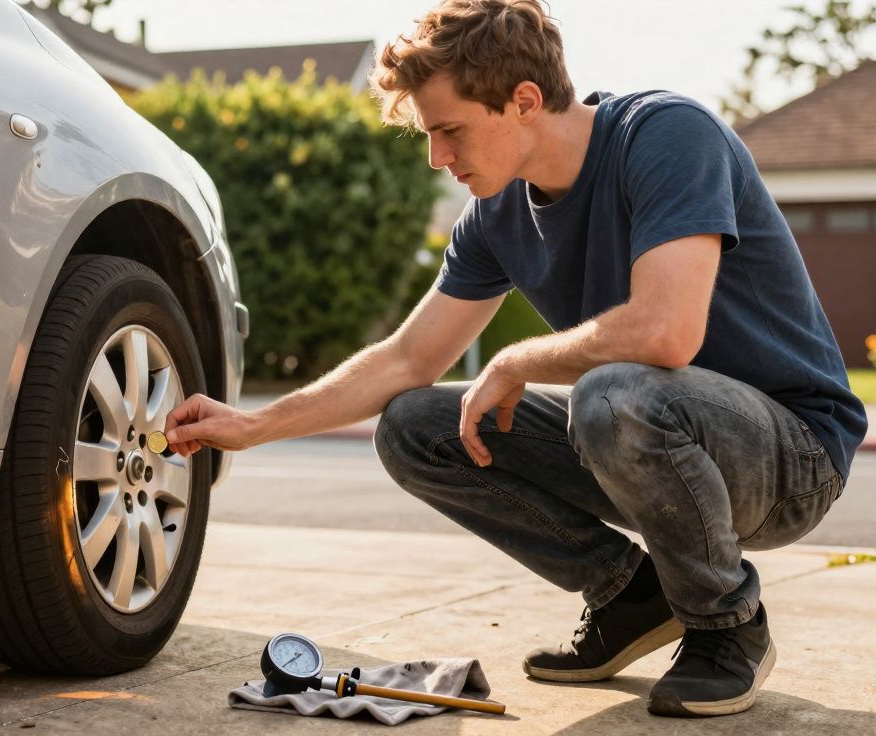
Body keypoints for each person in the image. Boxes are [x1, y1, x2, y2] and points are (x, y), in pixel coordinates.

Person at [162, 0, 867, 719]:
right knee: (414, 424)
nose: (438, 157)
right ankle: (631, 594)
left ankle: (726, 625)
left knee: (612, 394)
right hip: (660, 434)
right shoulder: (496, 215)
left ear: (524, 100)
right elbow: (407, 359)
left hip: (792, 457)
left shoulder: (665, 135)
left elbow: (665, 333)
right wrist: (253, 426)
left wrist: (518, 360)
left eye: (450, 130)